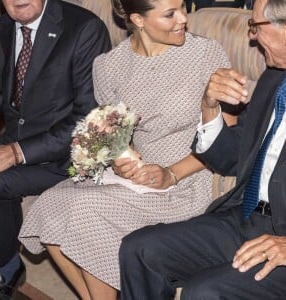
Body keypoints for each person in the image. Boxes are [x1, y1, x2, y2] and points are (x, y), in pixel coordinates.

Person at [18, 0, 232, 299]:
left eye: (183, 6)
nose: (184, 18)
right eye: (170, 14)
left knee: (83, 210)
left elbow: (229, 129)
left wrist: (171, 173)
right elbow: (116, 133)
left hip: (189, 178)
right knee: (50, 204)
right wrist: (121, 160)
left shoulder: (205, 53)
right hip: (136, 180)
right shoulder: (109, 65)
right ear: (137, 20)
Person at [119, 0, 286, 299]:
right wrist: (209, 108)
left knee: (204, 293)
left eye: (255, 26)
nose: (250, 37)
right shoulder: (273, 79)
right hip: (247, 219)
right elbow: (230, 159)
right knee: (139, 249)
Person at [0, 0, 110, 298]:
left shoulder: (83, 29)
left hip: (72, 155)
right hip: (19, 137)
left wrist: (15, 152)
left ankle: (4, 264)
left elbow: (89, 119)